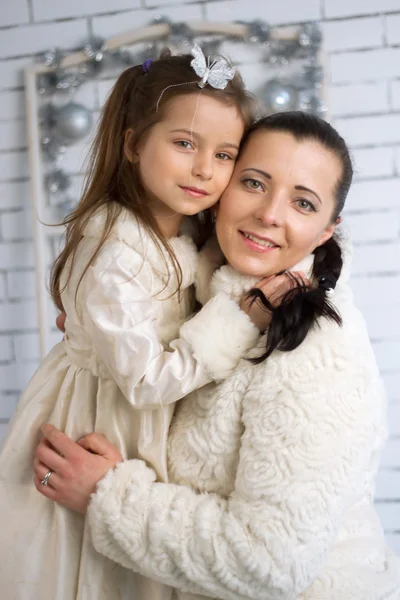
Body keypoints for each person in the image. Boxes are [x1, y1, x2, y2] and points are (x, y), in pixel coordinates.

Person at [35, 112, 400, 600]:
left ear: (326, 231)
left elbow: (269, 563)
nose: (270, 213)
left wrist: (109, 495)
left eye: (302, 202)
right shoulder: (212, 294)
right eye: (253, 182)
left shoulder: (315, 351)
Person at [0, 46, 278, 600]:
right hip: (110, 415)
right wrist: (237, 321)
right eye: (184, 144)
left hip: (145, 411)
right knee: (96, 570)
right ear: (131, 144)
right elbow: (146, 380)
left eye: (225, 155)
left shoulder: (186, 235)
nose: (205, 168)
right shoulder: (113, 250)